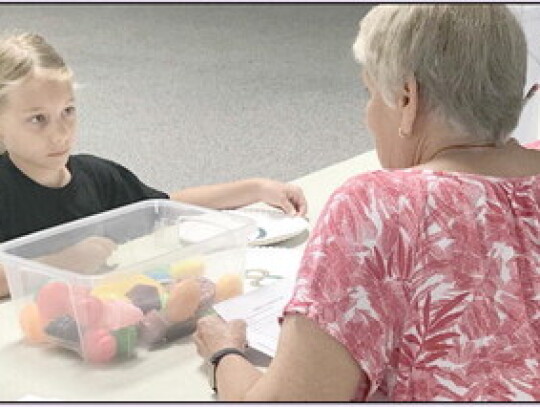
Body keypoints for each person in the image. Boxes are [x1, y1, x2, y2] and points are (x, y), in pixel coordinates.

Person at [194, 5, 540, 401]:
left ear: (407, 99)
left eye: (370, 93)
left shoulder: (378, 206)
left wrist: (224, 353)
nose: (367, 116)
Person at [0, 33, 307, 297]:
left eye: (67, 111)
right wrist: (64, 262)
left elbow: (165, 208)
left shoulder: (97, 176)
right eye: (38, 119)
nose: (60, 133)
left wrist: (254, 188)